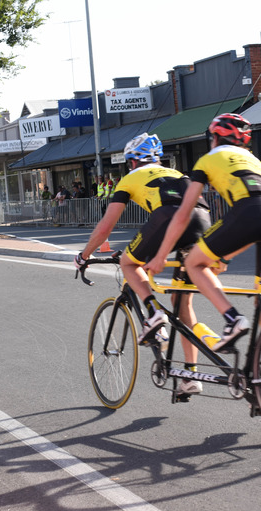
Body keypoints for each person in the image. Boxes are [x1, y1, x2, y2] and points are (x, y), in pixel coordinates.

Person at [145, 113, 261, 406]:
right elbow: (258, 222)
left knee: (193, 263)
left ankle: (231, 319)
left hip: (250, 209)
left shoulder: (208, 159)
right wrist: (224, 255)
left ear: (214, 138)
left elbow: (185, 212)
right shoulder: (255, 162)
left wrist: (161, 255)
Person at [75, 133, 212, 395]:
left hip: (168, 218)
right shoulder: (177, 173)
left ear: (133, 162)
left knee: (129, 262)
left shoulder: (130, 179)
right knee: (183, 305)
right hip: (202, 220)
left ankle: (153, 312)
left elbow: (106, 226)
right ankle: (191, 376)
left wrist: (83, 256)